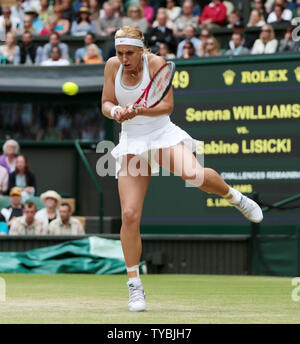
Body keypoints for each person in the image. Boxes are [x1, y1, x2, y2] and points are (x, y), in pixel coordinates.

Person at [101, 26, 263, 312]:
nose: (124, 58)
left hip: (161, 134)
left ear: (141, 50)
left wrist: (139, 110)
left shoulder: (157, 65)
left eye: (129, 53)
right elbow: (106, 102)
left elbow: (167, 105)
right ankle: (134, 287)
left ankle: (234, 197)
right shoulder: (112, 66)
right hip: (131, 141)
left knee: (195, 176)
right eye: (119, 52)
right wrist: (116, 111)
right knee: (129, 215)